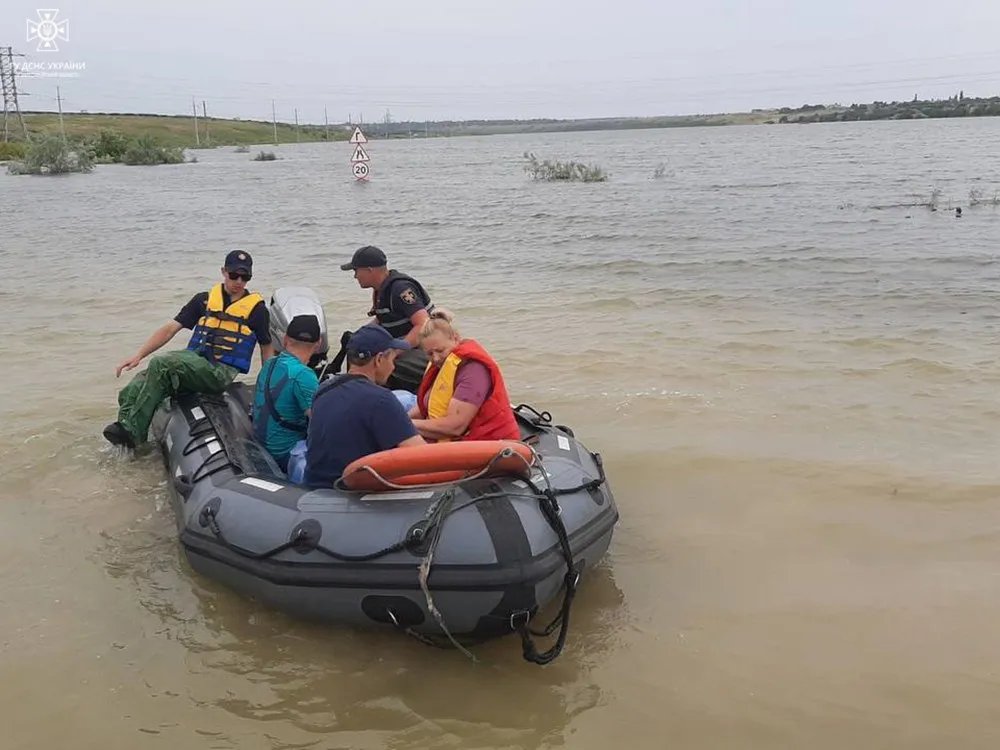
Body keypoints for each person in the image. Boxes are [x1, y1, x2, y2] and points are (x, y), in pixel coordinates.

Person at [103, 250, 274, 449]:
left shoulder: (257, 311)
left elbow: (266, 347)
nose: (239, 281)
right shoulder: (203, 300)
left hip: (218, 372)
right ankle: (128, 440)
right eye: (234, 275)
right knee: (133, 388)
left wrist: (267, 387)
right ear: (223, 271)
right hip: (194, 363)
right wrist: (138, 356)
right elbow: (170, 329)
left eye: (245, 277)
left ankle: (133, 433)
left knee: (162, 363)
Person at [305, 325, 425, 488]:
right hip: (351, 492)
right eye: (392, 359)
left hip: (315, 488)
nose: (393, 367)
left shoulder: (322, 390)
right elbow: (421, 456)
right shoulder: (381, 399)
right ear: (379, 359)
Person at [410, 310, 520, 442]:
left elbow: (455, 427)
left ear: (455, 338)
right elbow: (425, 407)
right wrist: (399, 419)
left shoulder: (474, 370)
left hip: (489, 443)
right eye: (429, 354)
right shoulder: (441, 366)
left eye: (440, 350)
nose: (436, 358)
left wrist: (404, 425)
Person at [339, 244, 434, 391]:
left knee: (380, 365)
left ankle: (372, 392)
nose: (355, 276)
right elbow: (382, 319)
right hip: (399, 342)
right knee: (355, 345)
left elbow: (423, 324)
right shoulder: (381, 289)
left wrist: (395, 352)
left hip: (423, 347)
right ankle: (354, 389)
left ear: (370, 270)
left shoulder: (400, 289)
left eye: (356, 271)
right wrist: (359, 335)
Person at [252, 314, 321, 471]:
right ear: (318, 344)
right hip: (283, 454)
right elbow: (321, 423)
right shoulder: (303, 375)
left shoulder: (269, 364)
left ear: (285, 339)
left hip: (261, 447)